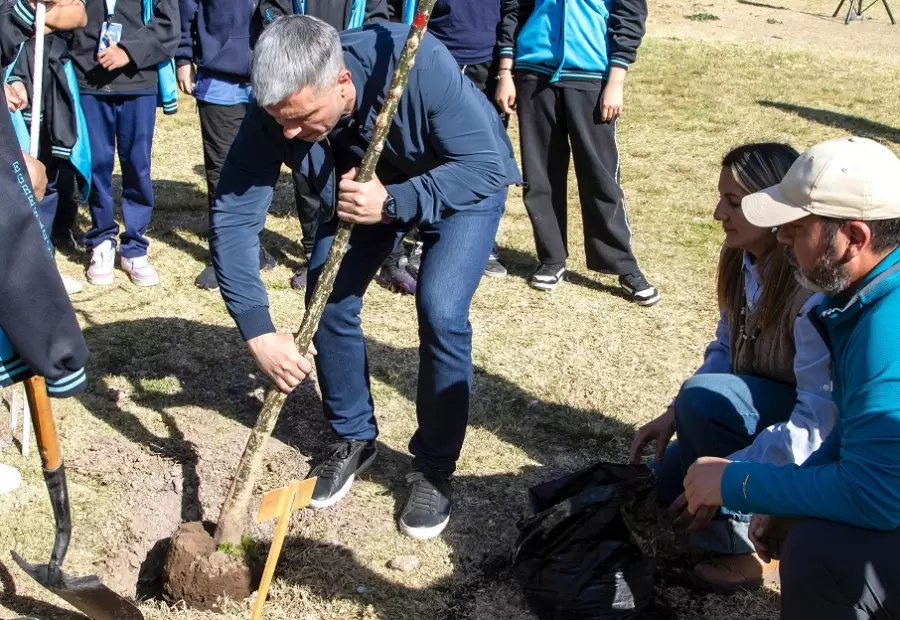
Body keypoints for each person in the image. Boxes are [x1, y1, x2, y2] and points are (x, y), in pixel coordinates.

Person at [210, 16, 520, 539]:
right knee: (325, 295)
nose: (288, 133)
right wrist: (257, 329)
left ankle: (433, 468)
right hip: (362, 192)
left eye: (301, 118)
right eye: (279, 120)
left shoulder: (416, 63)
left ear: (342, 84)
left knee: (440, 309)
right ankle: (353, 438)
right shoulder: (279, 109)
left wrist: (396, 201)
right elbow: (235, 213)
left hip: (458, 179)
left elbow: (486, 165)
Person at [683, 136, 900, 619]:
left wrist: (740, 483)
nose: (780, 237)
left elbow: (876, 495)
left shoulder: (886, 334)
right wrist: (790, 495)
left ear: (855, 238)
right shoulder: (868, 296)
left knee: (816, 553)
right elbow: (851, 433)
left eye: (796, 228)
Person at [629, 143, 836, 593]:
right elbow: (725, 344)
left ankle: (748, 547)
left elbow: (819, 419)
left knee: (704, 405)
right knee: (664, 489)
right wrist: (674, 412)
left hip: (805, 428)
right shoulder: (741, 260)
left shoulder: (811, 295)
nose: (719, 212)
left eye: (735, 202)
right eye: (722, 198)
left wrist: (734, 474)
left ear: (775, 209)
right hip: (760, 410)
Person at [183, 0, 389, 293]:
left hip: (326, 84)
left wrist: (331, 60)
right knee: (244, 170)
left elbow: (376, 18)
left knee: (318, 183)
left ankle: (315, 255)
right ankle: (246, 257)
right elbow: (270, 10)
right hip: (276, 77)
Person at [495, 0, 659, 304]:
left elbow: (629, 17)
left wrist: (616, 81)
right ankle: (552, 257)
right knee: (540, 176)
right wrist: (506, 70)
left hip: (591, 77)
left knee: (601, 176)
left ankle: (622, 263)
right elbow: (514, 10)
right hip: (534, 75)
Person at [69, 0, 178, 287]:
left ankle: (135, 247)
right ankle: (102, 240)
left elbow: (168, 26)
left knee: (137, 165)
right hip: (87, 81)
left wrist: (129, 51)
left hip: (137, 81)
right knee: (96, 166)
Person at [2, 0, 89, 294]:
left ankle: (44, 262)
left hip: (49, 77)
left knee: (48, 171)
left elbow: (78, 14)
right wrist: (35, 20)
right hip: (11, 79)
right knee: (19, 178)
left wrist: (37, 19)